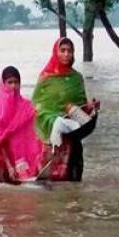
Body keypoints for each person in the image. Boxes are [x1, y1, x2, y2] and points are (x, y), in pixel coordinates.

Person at [32, 37, 99, 181]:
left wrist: (91, 107)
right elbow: (37, 106)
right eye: (62, 50)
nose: (66, 54)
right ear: (56, 52)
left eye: (69, 51)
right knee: (51, 186)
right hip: (51, 138)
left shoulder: (77, 78)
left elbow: (81, 106)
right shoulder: (46, 78)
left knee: (74, 186)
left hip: (73, 137)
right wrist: (54, 119)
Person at [0, 66, 43, 183]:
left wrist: (38, 159)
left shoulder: (27, 107)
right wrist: (9, 166)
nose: (14, 86)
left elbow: (35, 135)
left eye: (16, 82)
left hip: (26, 156)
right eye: (10, 82)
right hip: (8, 159)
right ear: (3, 84)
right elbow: (0, 143)